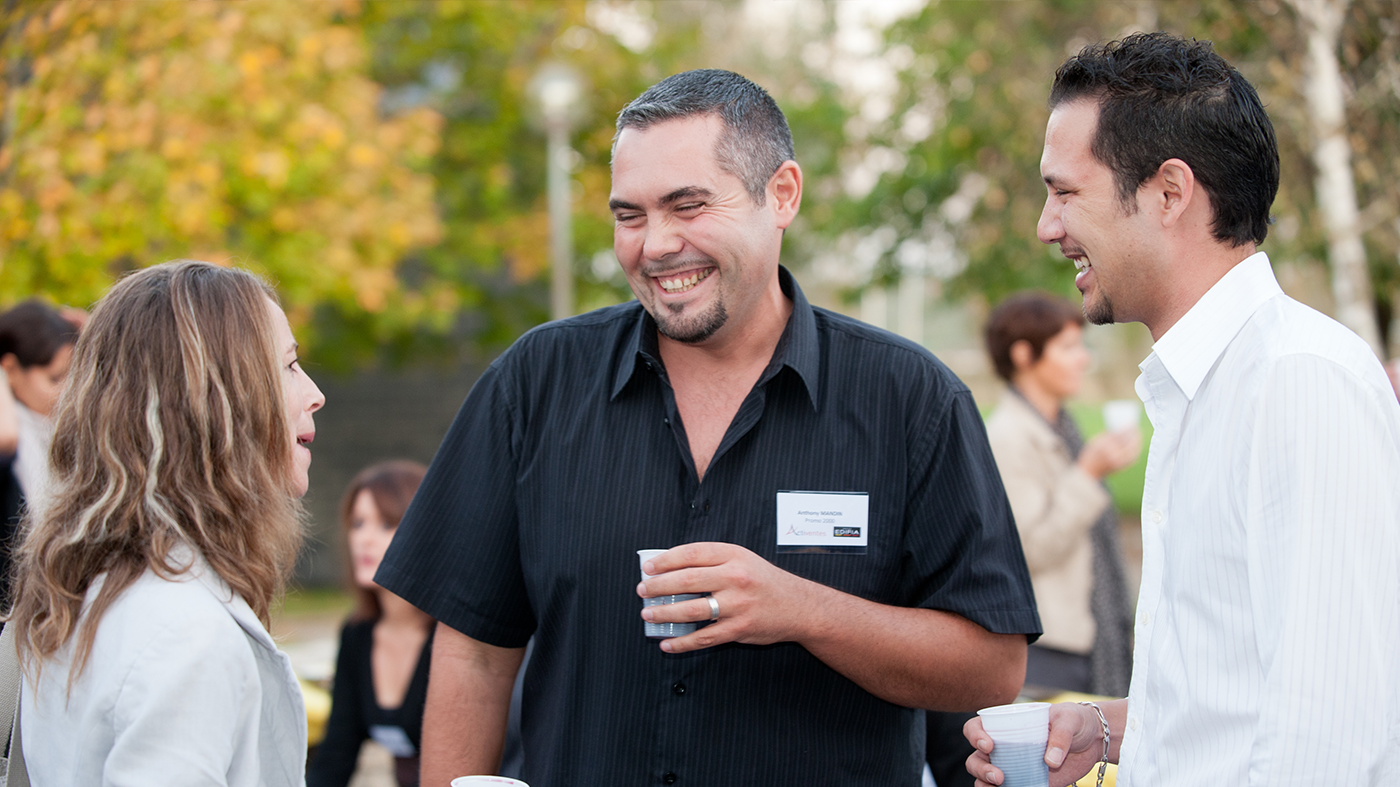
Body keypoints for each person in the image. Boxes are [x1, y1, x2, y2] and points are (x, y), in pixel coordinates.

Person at [377, 69, 1040, 787]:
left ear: (781, 194)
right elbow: (473, 649)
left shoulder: (911, 398)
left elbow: (993, 665)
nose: (656, 244)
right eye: (629, 215)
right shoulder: (536, 382)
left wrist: (804, 609)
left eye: (687, 206)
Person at [965, 32, 1400, 787]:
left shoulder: (1297, 380)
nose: (1045, 225)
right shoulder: (1198, 390)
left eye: (1066, 191)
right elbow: (1233, 698)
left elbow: (1329, 732)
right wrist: (1109, 727)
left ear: (1170, 192)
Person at [11, 260, 326, 786]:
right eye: (289, 366)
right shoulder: (185, 636)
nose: (314, 392)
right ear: (220, 402)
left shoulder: (87, 595)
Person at [983, 292, 1139, 696]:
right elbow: (1029, 549)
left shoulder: (1063, 428)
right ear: (1023, 355)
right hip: (1052, 650)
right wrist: (1088, 474)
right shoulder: (1008, 437)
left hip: (1094, 638)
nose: (1083, 358)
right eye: (1068, 347)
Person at [308, 460, 434, 787]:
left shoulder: (453, 637)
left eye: (386, 524)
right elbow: (337, 753)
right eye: (358, 523)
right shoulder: (357, 635)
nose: (364, 539)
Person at [0, 300, 80, 517]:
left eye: (74, 376)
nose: (68, 390)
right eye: (55, 379)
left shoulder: (80, 431)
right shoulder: (10, 438)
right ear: (10, 369)